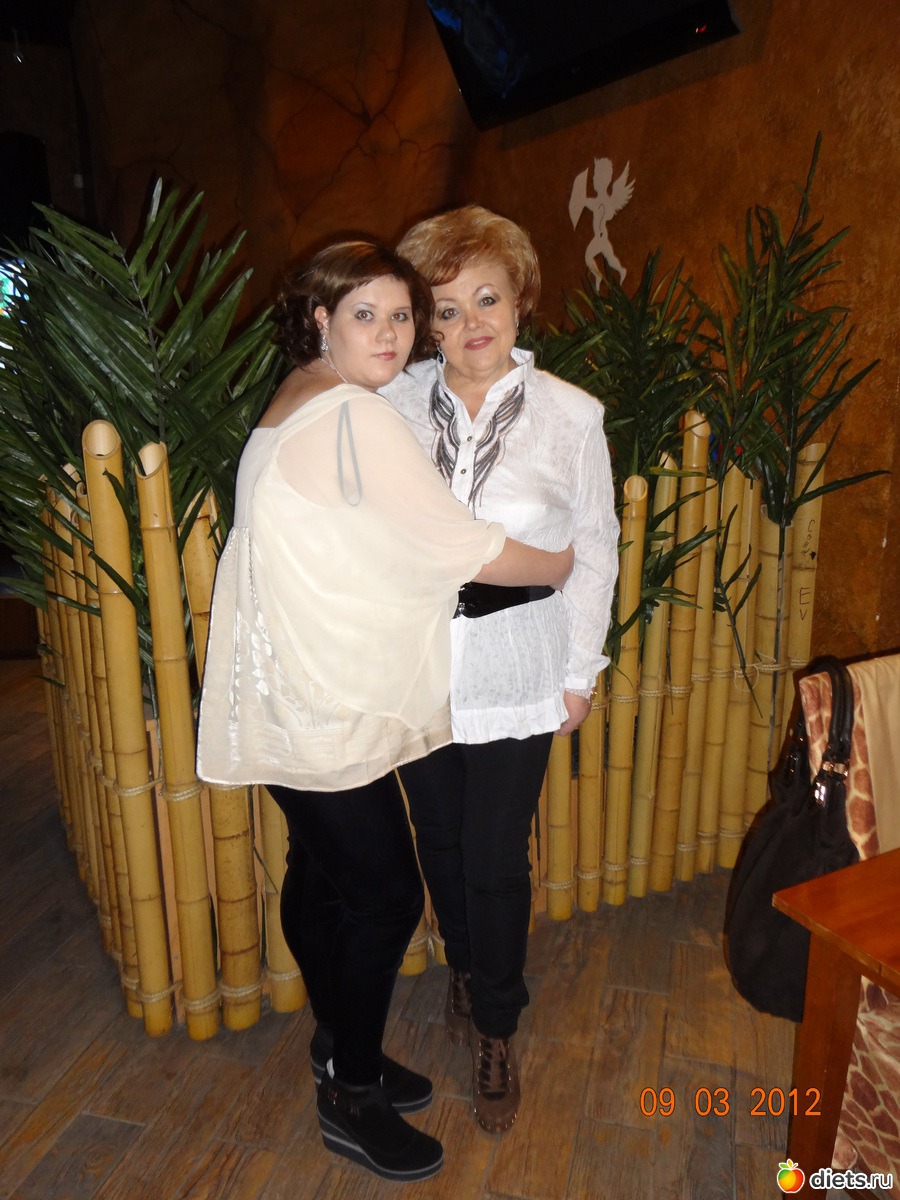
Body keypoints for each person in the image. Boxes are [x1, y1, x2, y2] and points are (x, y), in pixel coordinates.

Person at [196, 240, 574, 1183]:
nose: (392, 334)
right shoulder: (355, 417)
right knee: (386, 896)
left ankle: (338, 1045)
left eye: (402, 315)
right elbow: (466, 545)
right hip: (327, 704)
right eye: (365, 314)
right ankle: (352, 1097)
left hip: (289, 693)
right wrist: (561, 563)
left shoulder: (296, 397)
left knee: (322, 877)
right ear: (320, 319)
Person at [383, 206, 619, 1134]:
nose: (470, 322)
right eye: (445, 309)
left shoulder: (571, 415)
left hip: (519, 662)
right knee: (438, 839)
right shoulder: (392, 404)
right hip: (418, 663)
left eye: (486, 297)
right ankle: (464, 969)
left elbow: (595, 548)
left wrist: (580, 671)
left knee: (492, 856)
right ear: (426, 324)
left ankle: (496, 1022)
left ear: (520, 299)